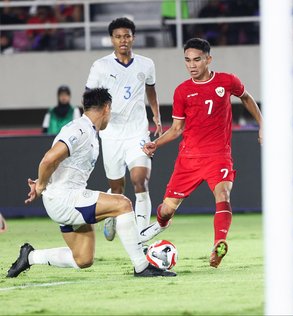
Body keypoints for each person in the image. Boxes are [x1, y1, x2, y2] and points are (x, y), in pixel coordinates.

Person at [6, 88, 175, 278]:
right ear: (106, 108)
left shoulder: (87, 131)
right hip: (66, 199)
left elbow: (59, 163)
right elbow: (48, 159)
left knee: (83, 259)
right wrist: (41, 185)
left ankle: (30, 257)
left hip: (64, 199)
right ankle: (142, 266)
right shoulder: (80, 129)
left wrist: (42, 182)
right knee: (123, 204)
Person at [139, 38, 263, 268]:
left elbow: (246, 97)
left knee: (223, 195)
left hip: (218, 155)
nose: (192, 65)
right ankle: (162, 224)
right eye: (187, 60)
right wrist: (157, 143)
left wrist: (262, 124)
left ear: (208, 59)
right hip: (189, 159)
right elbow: (177, 129)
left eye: (197, 60)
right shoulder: (183, 91)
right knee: (166, 210)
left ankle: (219, 243)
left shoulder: (227, 81)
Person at [85, 17, 162, 248]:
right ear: (112, 39)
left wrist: (156, 115)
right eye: (118, 36)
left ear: (133, 37)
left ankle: (140, 235)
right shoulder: (101, 66)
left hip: (137, 132)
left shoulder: (146, 64)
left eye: (127, 36)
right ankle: (110, 213)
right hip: (111, 135)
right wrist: (89, 125)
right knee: (118, 189)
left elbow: (151, 90)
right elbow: (88, 98)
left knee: (140, 181)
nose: (123, 40)